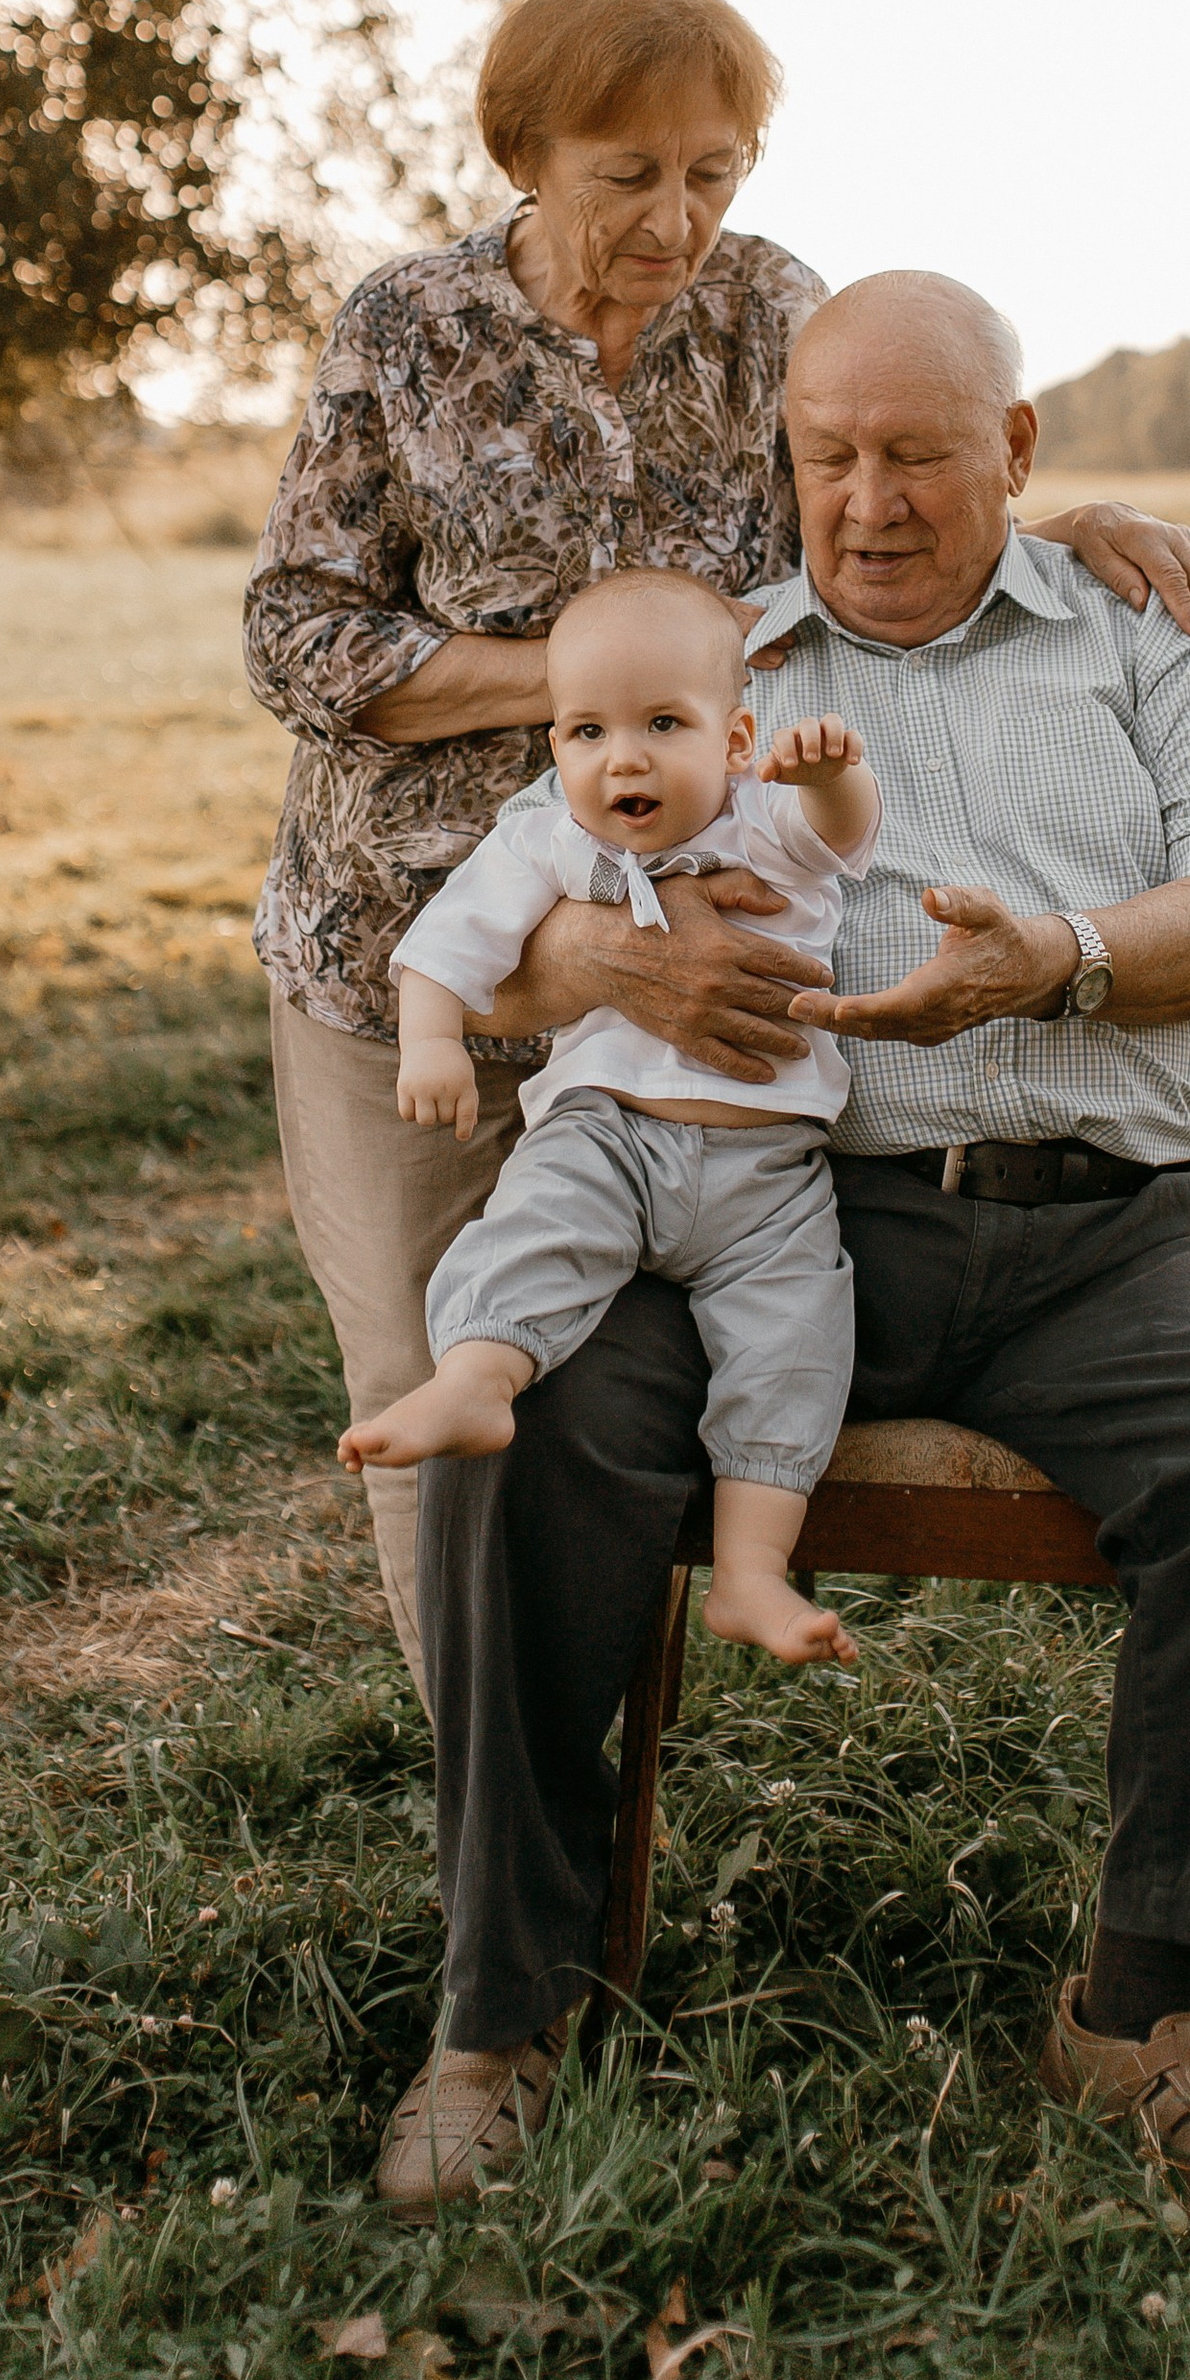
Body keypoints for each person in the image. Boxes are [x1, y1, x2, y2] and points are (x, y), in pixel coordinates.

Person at [376, 270, 1190, 2225]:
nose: (866, 502)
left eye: (917, 455)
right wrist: (595, 958)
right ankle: (500, 2014)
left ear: (1015, 450)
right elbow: (529, 903)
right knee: (531, 1414)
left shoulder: (1149, 624)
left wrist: (1057, 962)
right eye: (825, 455)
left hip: (1103, 1233)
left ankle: (1146, 2017)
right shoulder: (712, 657)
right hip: (764, 1218)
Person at [244, 0, 1190, 1697]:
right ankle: (495, 1785)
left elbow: (873, 485)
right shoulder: (408, 329)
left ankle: (614, 1724)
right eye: (629, 174)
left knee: (618, 1388)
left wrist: (1053, 521)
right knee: (442, 1369)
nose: (678, 219)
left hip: (698, 959)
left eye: (713, 171)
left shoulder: (771, 306)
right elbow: (296, 637)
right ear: (525, 156)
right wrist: (596, 691)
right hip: (416, 952)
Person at [336, 566, 878, 1669]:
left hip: (768, 1177)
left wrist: (834, 777)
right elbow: (447, 944)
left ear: (734, 741)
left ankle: (752, 1572)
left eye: (662, 724)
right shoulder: (549, 839)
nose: (622, 759)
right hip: (607, 1136)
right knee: (534, 1232)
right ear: (556, 749)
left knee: (795, 1346)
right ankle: (477, 1380)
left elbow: (843, 835)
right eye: (588, 731)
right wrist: (432, 1043)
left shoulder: (764, 819)